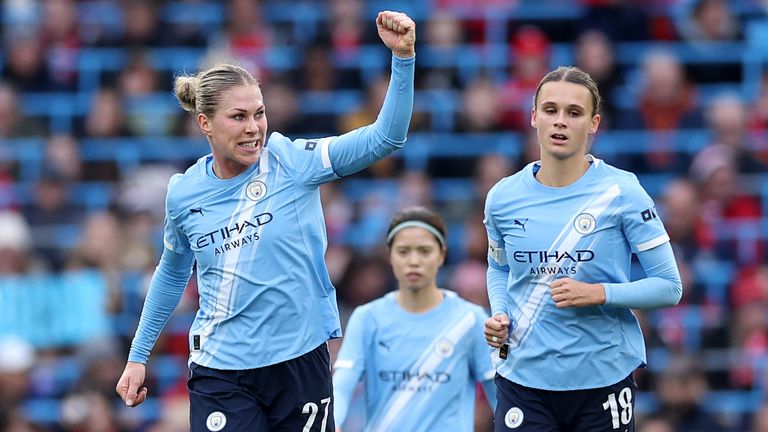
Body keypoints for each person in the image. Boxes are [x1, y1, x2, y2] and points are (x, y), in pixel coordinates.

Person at [115, 10, 416, 432]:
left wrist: (403, 59)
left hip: (300, 362)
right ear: (205, 124)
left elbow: (386, 137)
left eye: (259, 113)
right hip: (222, 371)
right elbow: (171, 274)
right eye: (239, 117)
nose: (254, 127)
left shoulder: (292, 162)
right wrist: (138, 357)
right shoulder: (184, 193)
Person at [482, 66, 683, 431]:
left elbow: (670, 286)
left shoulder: (622, 192)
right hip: (523, 380)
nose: (560, 122)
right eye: (550, 110)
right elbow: (499, 268)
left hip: (602, 380)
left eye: (574, 113)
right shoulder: (502, 198)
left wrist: (598, 293)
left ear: (593, 124)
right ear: (533, 117)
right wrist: (500, 315)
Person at [333, 206, 497, 432]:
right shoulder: (367, 318)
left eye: (424, 251)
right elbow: (341, 386)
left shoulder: (470, 320)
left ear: (441, 254)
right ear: (390, 255)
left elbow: (499, 397)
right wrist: (332, 423)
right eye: (403, 251)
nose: (413, 261)